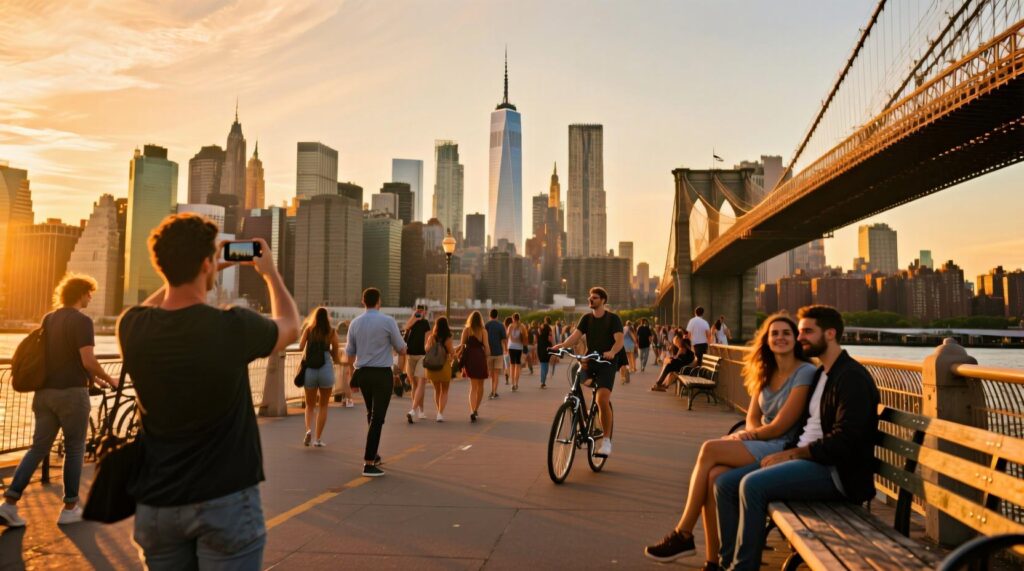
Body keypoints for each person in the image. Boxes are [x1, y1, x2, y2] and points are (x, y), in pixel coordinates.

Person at [114, 217, 300, 568]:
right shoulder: (232, 326)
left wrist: (188, 267)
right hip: (224, 499)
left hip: (157, 503)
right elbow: (290, 326)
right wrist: (270, 274)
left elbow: (146, 308)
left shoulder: (132, 327)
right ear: (206, 264)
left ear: (160, 265)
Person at [714, 305, 880, 570]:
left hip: (836, 473)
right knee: (724, 483)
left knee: (752, 486)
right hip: (807, 461)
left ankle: (743, 567)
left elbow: (845, 440)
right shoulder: (823, 374)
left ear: (830, 334)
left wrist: (792, 453)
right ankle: (726, 563)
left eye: (807, 332)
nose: (800, 337)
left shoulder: (851, 378)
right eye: (800, 331)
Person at [644, 314, 815, 566]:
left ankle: (683, 533)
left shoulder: (805, 372)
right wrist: (748, 432)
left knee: (710, 449)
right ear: (766, 340)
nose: (780, 337)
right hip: (761, 441)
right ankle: (714, 561)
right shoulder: (766, 371)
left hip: (784, 446)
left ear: (795, 340)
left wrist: (748, 435)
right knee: (714, 477)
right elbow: (753, 418)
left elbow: (782, 425)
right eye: (774, 333)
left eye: (786, 333)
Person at [0, 275, 117, 528]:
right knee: (75, 448)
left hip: (44, 394)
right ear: (81, 294)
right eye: (89, 293)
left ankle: (9, 503)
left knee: (38, 448)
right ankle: (70, 508)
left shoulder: (49, 318)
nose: (91, 298)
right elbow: (87, 360)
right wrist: (110, 378)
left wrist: (93, 381)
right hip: (71, 395)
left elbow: (62, 358)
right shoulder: (83, 321)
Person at [551, 287, 623, 458]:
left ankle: (605, 441)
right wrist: (561, 346)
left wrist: (612, 351)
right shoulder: (586, 318)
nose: (591, 300)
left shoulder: (613, 319)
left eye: (595, 298)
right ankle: (580, 415)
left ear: (603, 300)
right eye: (590, 297)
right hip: (590, 360)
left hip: (607, 362)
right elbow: (575, 337)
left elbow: (619, 341)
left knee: (601, 399)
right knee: (576, 371)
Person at [346, 287, 408, 477]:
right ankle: (368, 462)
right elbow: (401, 348)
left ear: (363, 301)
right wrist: (400, 367)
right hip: (382, 374)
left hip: (363, 373)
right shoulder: (388, 321)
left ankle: (374, 453)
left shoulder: (355, 323)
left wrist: (352, 375)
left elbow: (349, 353)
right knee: (378, 417)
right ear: (378, 302)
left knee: (371, 413)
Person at [298, 307, 341, 447]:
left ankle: (308, 430)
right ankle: (317, 439)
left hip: (310, 369)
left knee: (309, 406)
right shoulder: (331, 332)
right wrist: (341, 361)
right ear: (327, 317)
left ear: (315, 317)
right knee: (323, 406)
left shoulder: (309, 329)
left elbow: (300, 347)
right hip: (326, 369)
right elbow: (336, 352)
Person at [459, 311, 491, 422]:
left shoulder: (467, 330)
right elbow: (486, 347)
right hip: (480, 358)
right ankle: (476, 409)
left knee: (473, 387)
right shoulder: (483, 331)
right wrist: (487, 358)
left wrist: (459, 359)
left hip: (470, 358)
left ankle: (472, 410)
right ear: (480, 320)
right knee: (480, 386)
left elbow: (462, 346)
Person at [403, 305, 431, 423]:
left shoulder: (426, 323)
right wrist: (414, 318)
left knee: (420, 382)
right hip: (410, 355)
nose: (420, 312)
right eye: (418, 310)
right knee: (415, 384)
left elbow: (428, 340)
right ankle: (421, 411)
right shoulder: (412, 321)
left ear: (425, 312)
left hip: (421, 356)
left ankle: (413, 410)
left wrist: (427, 355)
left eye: (422, 310)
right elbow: (406, 327)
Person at [424, 317, 455, 422]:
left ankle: (439, 412)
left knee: (437, 390)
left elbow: (426, 349)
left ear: (436, 325)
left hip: (433, 368)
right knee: (445, 391)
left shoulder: (432, 337)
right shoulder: (448, 338)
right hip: (444, 367)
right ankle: (440, 413)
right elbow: (452, 353)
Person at [484, 309, 507, 399]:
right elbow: (504, 339)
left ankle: (492, 391)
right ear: (497, 316)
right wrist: (505, 349)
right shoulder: (501, 325)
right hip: (498, 352)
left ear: (490, 316)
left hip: (489, 353)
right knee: (496, 373)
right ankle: (494, 391)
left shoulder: (487, 325)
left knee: (491, 373)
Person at [335, 320, 355, 407]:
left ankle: (349, 401)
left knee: (345, 384)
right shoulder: (351, 338)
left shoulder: (344, 339)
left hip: (345, 363)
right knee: (346, 383)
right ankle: (346, 400)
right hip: (348, 363)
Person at [506, 313, 528, 391]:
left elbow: (507, 336)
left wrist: (505, 347)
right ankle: (516, 383)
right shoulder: (522, 326)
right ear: (519, 318)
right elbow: (525, 337)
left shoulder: (510, 326)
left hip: (511, 346)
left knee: (512, 365)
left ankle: (512, 383)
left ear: (513, 319)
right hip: (519, 347)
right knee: (517, 365)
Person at [537, 317, 555, 388]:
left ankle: (542, 381)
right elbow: (550, 339)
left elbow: (539, 335)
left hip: (540, 348)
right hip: (547, 348)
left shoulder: (540, 330)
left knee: (543, 364)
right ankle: (543, 381)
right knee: (545, 365)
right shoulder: (549, 330)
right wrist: (554, 347)